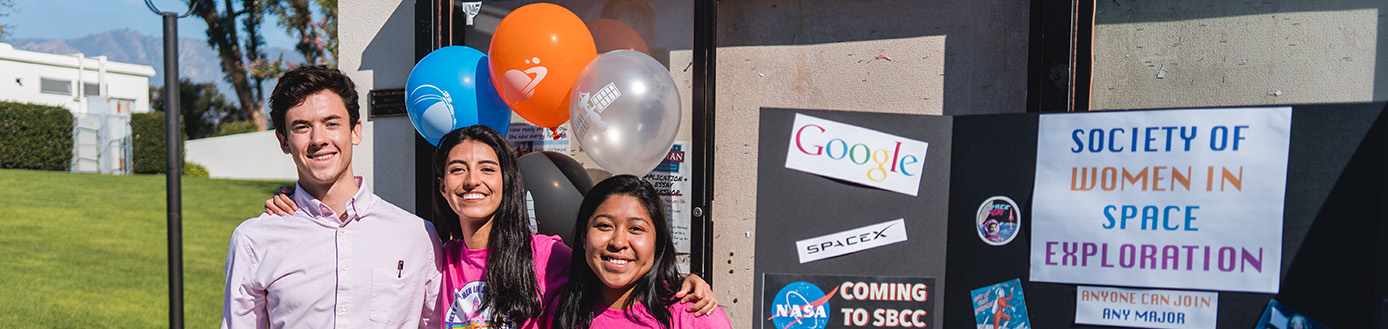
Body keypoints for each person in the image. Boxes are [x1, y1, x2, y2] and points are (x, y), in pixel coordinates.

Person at [264, 125, 717, 329]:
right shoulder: (428, 252)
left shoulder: (548, 255)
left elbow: (615, 279)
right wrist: (297, 203)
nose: (473, 181)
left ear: (507, 182)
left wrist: (683, 284)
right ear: (442, 187)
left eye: (487, 169)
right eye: (458, 170)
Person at [222, 65, 442, 328]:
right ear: (283, 141)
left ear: (355, 131)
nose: (318, 139)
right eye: (302, 127)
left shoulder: (417, 235)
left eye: (331, 123)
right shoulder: (255, 240)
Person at [551, 175, 732, 329]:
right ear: (584, 236)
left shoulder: (694, 314)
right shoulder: (561, 312)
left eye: (636, 228)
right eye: (605, 225)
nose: (618, 242)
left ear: (657, 241)